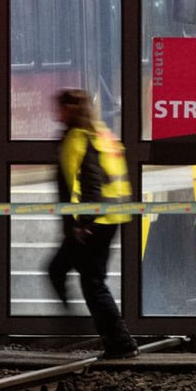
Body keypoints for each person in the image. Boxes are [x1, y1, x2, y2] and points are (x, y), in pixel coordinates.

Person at [48, 88, 139, 359]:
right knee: (61, 269)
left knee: (91, 282)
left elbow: (87, 183)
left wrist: (82, 222)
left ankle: (119, 342)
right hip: (109, 217)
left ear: (68, 110)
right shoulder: (101, 133)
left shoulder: (77, 138)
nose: (56, 112)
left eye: (59, 107)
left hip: (93, 222)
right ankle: (77, 325)